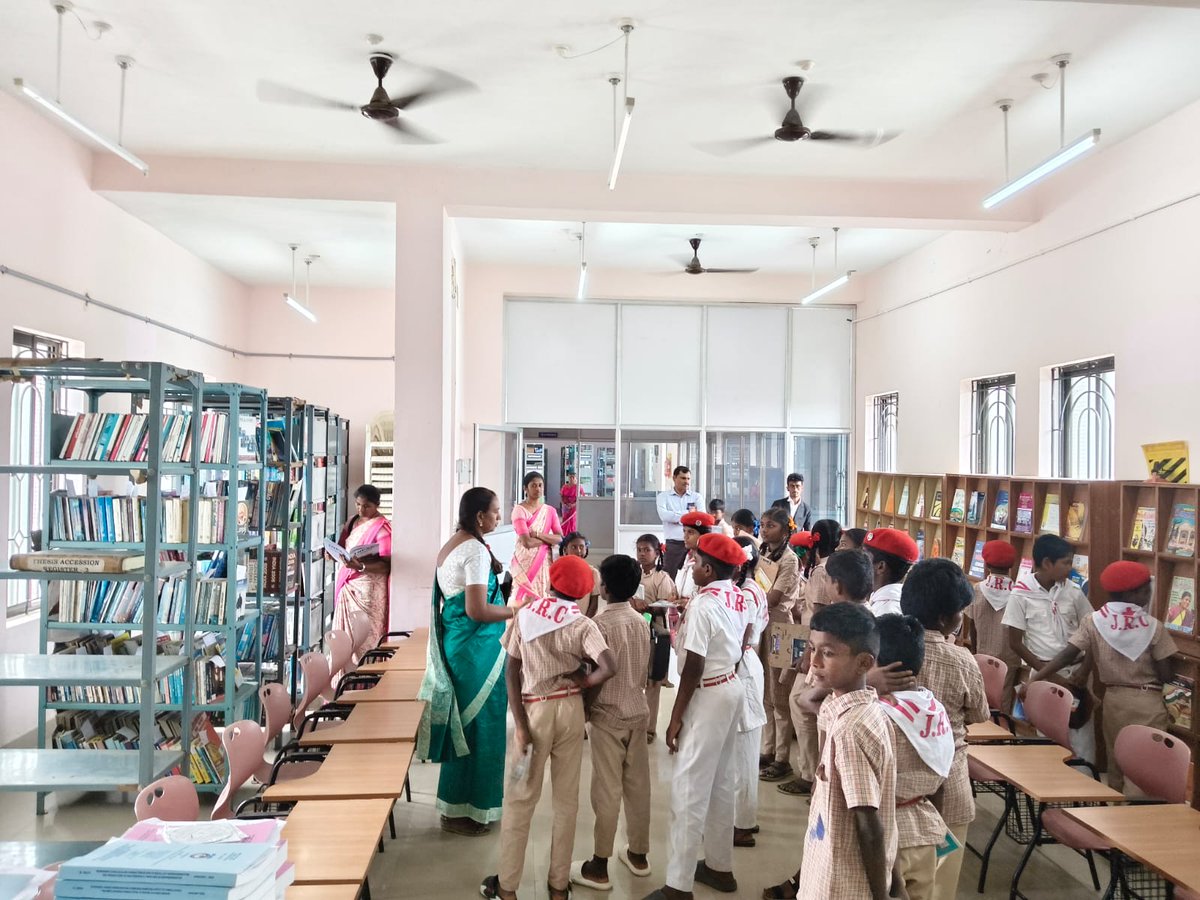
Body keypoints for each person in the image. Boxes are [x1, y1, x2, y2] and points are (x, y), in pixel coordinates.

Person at [481, 556, 616, 900]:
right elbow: (608, 666)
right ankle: (558, 886)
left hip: (535, 710)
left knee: (520, 800)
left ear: (550, 582)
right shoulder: (583, 624)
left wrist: (522, 727)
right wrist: (585, 684)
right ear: (583, 593)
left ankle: (508, 887)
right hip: (570, 709)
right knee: (566, 802)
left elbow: (511, 671)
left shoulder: (526, 614)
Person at [761, 603, 901, 900]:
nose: (814, 662)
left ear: (865, 663)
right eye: (812, 649)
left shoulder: (850, 728)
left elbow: (868, 820)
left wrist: (883, 895)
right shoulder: (852, 707)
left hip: (842, 878)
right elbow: (808, 700)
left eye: (828, 653)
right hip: (827, 857)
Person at [649, 533, 748, 900]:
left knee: (689, 788)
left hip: (708, 693)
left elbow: (693, 664)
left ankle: (678, 885)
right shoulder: (738, 595)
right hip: (730, 685)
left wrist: (676, 717)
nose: (691, 565)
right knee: (722, 781)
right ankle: (720, 867)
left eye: (696, 561)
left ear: (709, 568)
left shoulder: (705, 605)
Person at [1024, 561, 1176, 794]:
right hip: (1148, 701)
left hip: (1114, 701)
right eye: (1146, 590)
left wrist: (1034, 680)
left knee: (1117, 758)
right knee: (1146, 763)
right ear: (1131, 592)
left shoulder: (1093, 621)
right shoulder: (1154, 627)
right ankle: (1144, 815)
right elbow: (1166, 674)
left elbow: (1066, 656)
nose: (1148, 595)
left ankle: (1115, 810)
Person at [418, 487, 519, 835]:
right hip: (477, 652)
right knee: (483, 727)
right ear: (479, 516)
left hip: (459, 647)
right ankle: (474, 811)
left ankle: (454, 806)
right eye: (494, 512)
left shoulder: (454, 543)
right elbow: (477, 609)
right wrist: (515, 611)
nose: (498, 518)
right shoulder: (474, 551)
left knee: (465, 728)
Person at [900, 559, 989, 900]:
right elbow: (979, 713)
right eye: (959, 612)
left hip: (898, 786)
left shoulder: (887, 648)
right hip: (948, 782)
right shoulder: (961, 659)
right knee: (939, 884)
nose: (961, 619)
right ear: (943, 618)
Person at [571, 554, 653, 891]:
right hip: (638, 711)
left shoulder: (599, 626)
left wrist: (585, 709)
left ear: (603, 588)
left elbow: (596, 674)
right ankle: (638, 854)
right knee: (638, 787)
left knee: (606, 790)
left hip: (608, 715)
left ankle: (599, 864)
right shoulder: (641, 621)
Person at [875, 614, 953, 900]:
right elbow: (942, 783)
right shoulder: (934, 708)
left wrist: (864, 682)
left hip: (883, 836)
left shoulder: (876, 715)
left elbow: (812, 703)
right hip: (926, 830)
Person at [1003, 534, 1096, 759]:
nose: (1070, 568)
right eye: (1065, 562)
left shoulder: (1073, 592)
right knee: (1047, 732)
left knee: (1080, 734)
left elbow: (1093, 632)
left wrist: (1084, 672)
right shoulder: (1021, 594)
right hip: (1043, 672)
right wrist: (1047, 672)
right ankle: (1053, 790)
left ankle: (1083, 789)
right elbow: (1015, 642)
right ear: (1047, 563)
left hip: (1076, 672)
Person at [779, 518, 842, 797]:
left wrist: (808, 654)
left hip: (816, 646)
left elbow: (817, 615)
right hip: (821, 645)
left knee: (799, 701)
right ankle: (813, 772)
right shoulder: (832, 568)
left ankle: (809, 774)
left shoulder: (820, 571)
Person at [756, 507, 801, 784]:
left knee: (780, 694)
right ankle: (767, 748)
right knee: (765, 691)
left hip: (782, 626)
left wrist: (753, 592)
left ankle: (782, 758)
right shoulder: (763, 552)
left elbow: (773, 598)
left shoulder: (790, 560)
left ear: (785, 530)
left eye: (770, 525)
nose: (764, 529)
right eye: (762, 525)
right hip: (762, 623)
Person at [732, 536, 769, 847]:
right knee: (743, 750)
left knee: (743, 753)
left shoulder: (745, 593)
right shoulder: (753, 587)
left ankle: (741, 824)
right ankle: (745, 817)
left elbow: (742, 635)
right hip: (749, 664)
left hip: (743, 668)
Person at [329, 484, 392, 656]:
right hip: (348, 585)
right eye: (358, 504)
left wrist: (361, 566)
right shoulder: (352, 522)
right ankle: (344, 675)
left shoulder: (382, 528)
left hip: (368, 590)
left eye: (367, 506)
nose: (361, 509)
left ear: (377, 505)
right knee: (346, 636)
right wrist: (331, 553)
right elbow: (342, 546)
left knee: (365, 636)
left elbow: (387, 564)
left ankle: (365, 676)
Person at [959, 540, 1021, 714]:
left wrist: (976, 650)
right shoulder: (1018, 592)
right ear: (1012, 565)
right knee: (1003, 704)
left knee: (981, 700)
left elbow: (971, 625)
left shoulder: (977, 590)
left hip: (982, 653)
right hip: (1009, 657)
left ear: (986, 564)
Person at [635, 534, 677, 744]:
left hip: (656, 632)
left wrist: (649, 606)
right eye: (639, 550)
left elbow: (667, 604)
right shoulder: (633, 574)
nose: (642, 554)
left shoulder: (663, 578)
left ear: (657, 553)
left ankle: (650, 728)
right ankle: (636, 723)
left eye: (647, 550)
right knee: (635, 679)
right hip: (635, 630)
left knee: (653, 680)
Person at [510, 471, 563, 607]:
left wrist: (538, 534)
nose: (538, 489)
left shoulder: (550, 511)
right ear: (525, 488)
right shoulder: (519, 510)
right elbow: (526, 542)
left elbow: (559, 537)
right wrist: (548, 540)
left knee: (542, 595)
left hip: (544, 561)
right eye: (533, 485)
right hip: (524, 561)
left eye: (540, 485)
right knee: (523, 598)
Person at [657, 466, 704, 577]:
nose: (686, 482)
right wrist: (688, 515)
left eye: (688, 479)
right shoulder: (663, 497)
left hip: (694, 545)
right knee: (670, 576)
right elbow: (664, 516)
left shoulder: (696, 497)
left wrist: (675, 516)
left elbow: (701, 517)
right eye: (683, 478)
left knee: (690, 577)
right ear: (674, 478)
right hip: (673, 544)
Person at [864, 528, 918, 617]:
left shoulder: (888, 611)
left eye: (865, 557)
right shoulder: (879, 597)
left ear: (881, 567)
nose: (860, 561)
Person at [674, 511, 714, 604]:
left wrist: (688, 603)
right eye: (684, 531)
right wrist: (675, 593)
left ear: (704, 536)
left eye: (691, 532)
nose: (685, 536)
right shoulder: (686, 557)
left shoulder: (708, 561)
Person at [561, 531, 601, 617]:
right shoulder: (559, 571)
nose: (578, 551)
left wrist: (584, 622)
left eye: (581, 547)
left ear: (586, 549)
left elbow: (594, 605)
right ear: (565, 550)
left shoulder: (593, 572)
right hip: (562, 619)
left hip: (583, 619)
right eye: (573, 547)